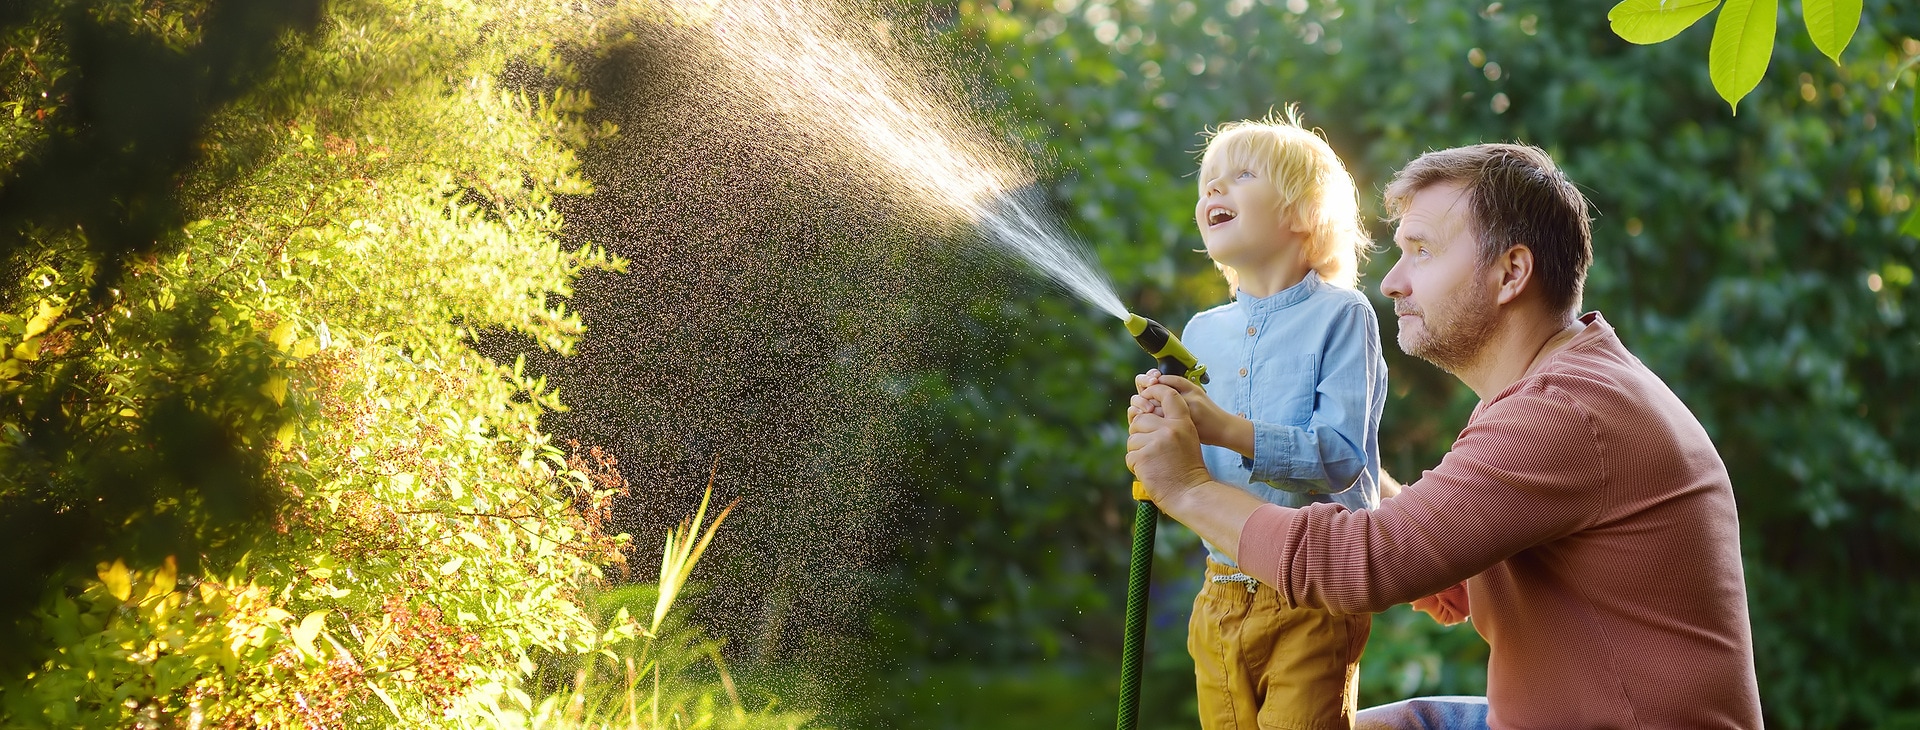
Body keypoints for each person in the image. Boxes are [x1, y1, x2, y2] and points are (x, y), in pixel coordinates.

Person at [1127, 143, 1763, 728]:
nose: (1391, 281)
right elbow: (1447, 562)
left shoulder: (1566, 414)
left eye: (1422, 251)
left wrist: (1186, 487)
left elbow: (1365, 566)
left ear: (1512, 273)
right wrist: (1326, 463)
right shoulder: (1550, 394)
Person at [1161, 110, 1387, 730]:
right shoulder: (1202, 332)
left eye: (1240, 176)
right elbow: (1191, 476)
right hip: (1220, 592)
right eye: (1207, 183)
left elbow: (1341, 455)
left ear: (1302, 214)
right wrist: (1167, 432)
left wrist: (1226, 428)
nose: (1213, 190)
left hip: (1311, 594)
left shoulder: (1343, 315)